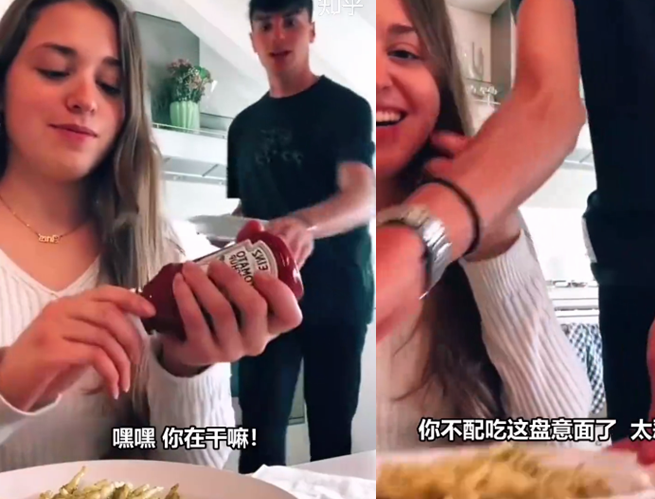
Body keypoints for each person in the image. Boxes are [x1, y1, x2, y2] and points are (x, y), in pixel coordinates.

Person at [376, 0, 655, 499]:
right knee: (651, 489)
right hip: (634, 283)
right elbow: (546, 99)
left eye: (403, 52)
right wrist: (424, 234)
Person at [0, 0, 302, 471]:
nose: (85, 99)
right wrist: (9, 387)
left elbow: (202, 468)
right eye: (55, 71)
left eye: (110, 85)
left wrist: (188, 369)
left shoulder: (171, 254)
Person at [375, 0, 592, 451]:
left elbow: (564, 439)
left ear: (440, 77)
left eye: (404, 53)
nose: (377, 78)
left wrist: (494, 242)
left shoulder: (485, 227)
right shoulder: (271, 235)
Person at [227, 0, 375, 473]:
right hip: (263, 300)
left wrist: (304, 224)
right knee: (258, 441)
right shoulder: (242, 127)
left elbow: (362, 195)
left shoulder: (348, 108)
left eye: (290, 22)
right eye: (265, 25)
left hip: (338, 298)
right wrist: (226, 238)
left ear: (311, 31)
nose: (278, 35)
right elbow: (248, 210)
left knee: (332, 441)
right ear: (253, 39)